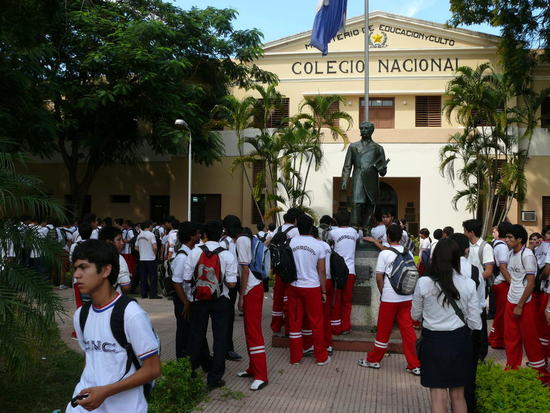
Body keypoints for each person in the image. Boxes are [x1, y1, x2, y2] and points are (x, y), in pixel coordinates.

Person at [67, 239, 161, 413]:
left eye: (83, 267)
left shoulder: (131, 314)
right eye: (75, 268)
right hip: (83, 407)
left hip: (126, 407)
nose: (76, 275)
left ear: (105, 270)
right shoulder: (81, 315)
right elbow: (91, 360)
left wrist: (105, 391)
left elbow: (153, 369)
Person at [412, 238, 481, 413]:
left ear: (435, 258)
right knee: (458, 395)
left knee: (438, 396)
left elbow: (415, 315)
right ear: (457, 258)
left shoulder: (424, 283)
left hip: (433, 342)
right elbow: (475, 323)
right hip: (459, 342)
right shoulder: (468, 284)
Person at [359, 224, 420, 375]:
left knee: (383, 330)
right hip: (407, 297)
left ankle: (373, 360)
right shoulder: (409, 253)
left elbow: (379, 277)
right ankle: (415, 364)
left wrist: (382, 293)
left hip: (390, 298)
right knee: (408, 331)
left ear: (388, 236)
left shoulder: (384, 254)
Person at [183, 220, 238, 390]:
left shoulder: (194, 252)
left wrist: (191, 297)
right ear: (220, 234)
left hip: (199, 300)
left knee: (196, 336)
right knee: (220, 338)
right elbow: (231, 284)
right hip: (221, 301)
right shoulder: (227, 255)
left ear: (204, 235)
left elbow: (186, 278)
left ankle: (191, 374)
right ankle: (214, 378)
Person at [503, 224, 548, 381]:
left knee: (530, 339)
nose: (507, 240)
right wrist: (512, 297)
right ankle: (512, 370)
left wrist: (520, 305)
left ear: (519, 239)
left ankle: (541, 376)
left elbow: (531, 283)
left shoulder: (527, 255)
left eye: (510, 238)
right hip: (511, 300)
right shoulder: (511, 254)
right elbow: (514, 278)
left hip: (525, 303)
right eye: (506, 237)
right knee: (511, 338)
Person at [287, 214, 330, 366]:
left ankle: (295, 357)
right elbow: (322, 271)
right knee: (316, 322)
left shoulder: (291, 242)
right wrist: (323, 291)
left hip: (294, 286)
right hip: (312, 287)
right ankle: (321, 357)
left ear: (297, 225)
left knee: (295, 322)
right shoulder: (318, 244)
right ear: (312, 227)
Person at [235, 226, 269, 391]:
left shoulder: (241, 240)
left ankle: (261, 375)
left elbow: (245, 270)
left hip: (251, 289)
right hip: (255, 288)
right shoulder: (249, 238)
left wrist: (241, 296)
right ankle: (253, 368)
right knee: (250, 331)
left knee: (254, 332)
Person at [340, 120, 389, 228]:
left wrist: (381, 168)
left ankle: (367, 227)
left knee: (370, 204)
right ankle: (355, 226)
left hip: (372, 179)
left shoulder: (378, 148)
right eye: (361, 128)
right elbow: (347, 165)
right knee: (356, 203)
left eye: (366, 128)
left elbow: (383, 172)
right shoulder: (353, 146)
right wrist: (344, 180)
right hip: (358, 177)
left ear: (371, 131)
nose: (363, 130)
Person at [266, 208, 301, 336]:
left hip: (278, 268)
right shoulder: (297, 231)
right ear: (296, 220)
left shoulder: (278, 229)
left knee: (278, 298)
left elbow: (267, 242)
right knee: (288, 299)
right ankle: (288, 327)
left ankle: (275, 326)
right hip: (291, 269)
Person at [463, 219, 493, 361]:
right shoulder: (466, 246)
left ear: (471, 232)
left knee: (480, 318)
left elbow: (488, 271)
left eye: (465, 230)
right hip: (468, 288)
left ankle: (481, 353)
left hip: (479, 288)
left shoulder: (485, 247)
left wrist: (474, 280)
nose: (464, 233)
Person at [327, 210, 360, 335]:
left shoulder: (333, 232)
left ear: (336, 221)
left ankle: (336, 327)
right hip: (350, 271)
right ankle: (346, 327)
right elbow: (357, 239)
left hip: (337, 271)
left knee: (336, 300)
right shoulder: (353, 232)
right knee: (347, 302)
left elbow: (329, 241)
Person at [220, 214, 243, 362]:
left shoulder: (234, 242)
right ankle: (226, 349)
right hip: (227, 285)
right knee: (225, 318)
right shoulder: (225, 243)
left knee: (229, 317)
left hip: (233, 282)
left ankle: (227, 347)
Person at [487, 222, 513, 349]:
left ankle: (494, 337)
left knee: (500, 313)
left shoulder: (496, 244)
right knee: (502, 314)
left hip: (498, 282)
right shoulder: (502, 246)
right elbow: (503, 267)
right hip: (502, 283)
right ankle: (497, 340)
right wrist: (512, 282)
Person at [312, 226, 334, 356]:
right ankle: (327, 344)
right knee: (325, 315)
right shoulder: (326, 245)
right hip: (328, 280)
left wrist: (323, 290)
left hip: (318, 282)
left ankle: (317, 345)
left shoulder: (315, 245)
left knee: (315, 317)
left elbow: (320, 270)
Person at [98, 226, 132, 294]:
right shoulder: (119, 258)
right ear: (109, 242)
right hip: (113, 300)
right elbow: (126, 287)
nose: (122, 243)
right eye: (119, 240)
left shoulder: (94, 257)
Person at [534, 225, 550, 357]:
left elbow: (546, 270)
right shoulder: (542, 246)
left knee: (544, 324)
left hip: (548, 291)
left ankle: (542, 360)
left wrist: (541, 278)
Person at [135, 220, 160, 299]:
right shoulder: (151, 235)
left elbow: (136, 247)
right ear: (149, 226)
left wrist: (142, 251)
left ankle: (143, 293)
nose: (152, 227)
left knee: (143, 277)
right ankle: (153, 294)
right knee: (153, 277)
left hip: (142, 258)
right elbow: (155, 247)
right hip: (151, 258)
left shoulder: (139, 235)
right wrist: (155, 254)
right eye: (151, 226)